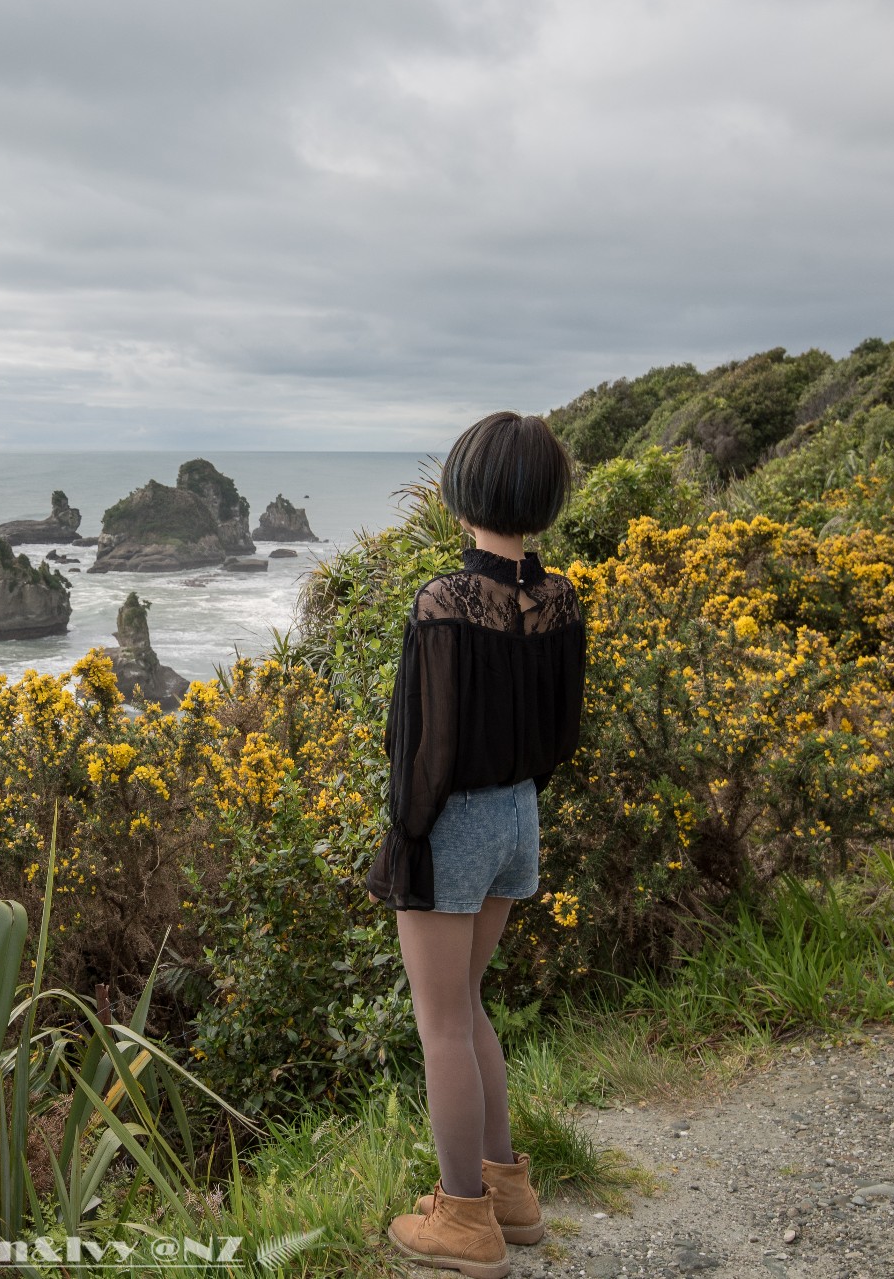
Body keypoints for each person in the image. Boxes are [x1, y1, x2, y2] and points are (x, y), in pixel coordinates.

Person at [366, 412, 586, 1277]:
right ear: (543, 500)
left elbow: (423, 750)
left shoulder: (446, 602)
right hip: (519, 816)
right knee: (469, 1003)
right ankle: (510, 1195)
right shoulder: (560, 595)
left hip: (454, 824)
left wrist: (406, 841)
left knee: (442, 1024)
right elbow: (563, 731)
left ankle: (463, 1217)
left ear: (464, 493)